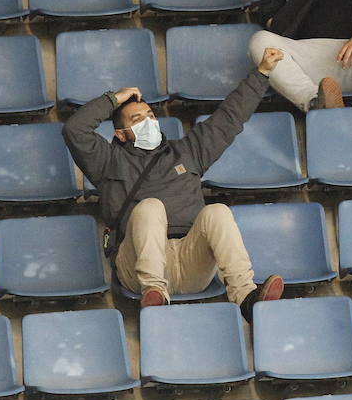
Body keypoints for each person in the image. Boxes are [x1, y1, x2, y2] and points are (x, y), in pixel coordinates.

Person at [63, 48, 287, 320]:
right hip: (138, 267)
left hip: (190, 260)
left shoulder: (188, 152)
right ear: (121, 135)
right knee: (150, 207)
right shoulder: (108, 161)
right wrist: (115, 98)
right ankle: (154, 298)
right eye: (137, 119)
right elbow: (74, 130)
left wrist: (262, 72)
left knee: (217, 211)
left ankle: (247, 298)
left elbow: (229, 118)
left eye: (150, 116)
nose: (148, 122)